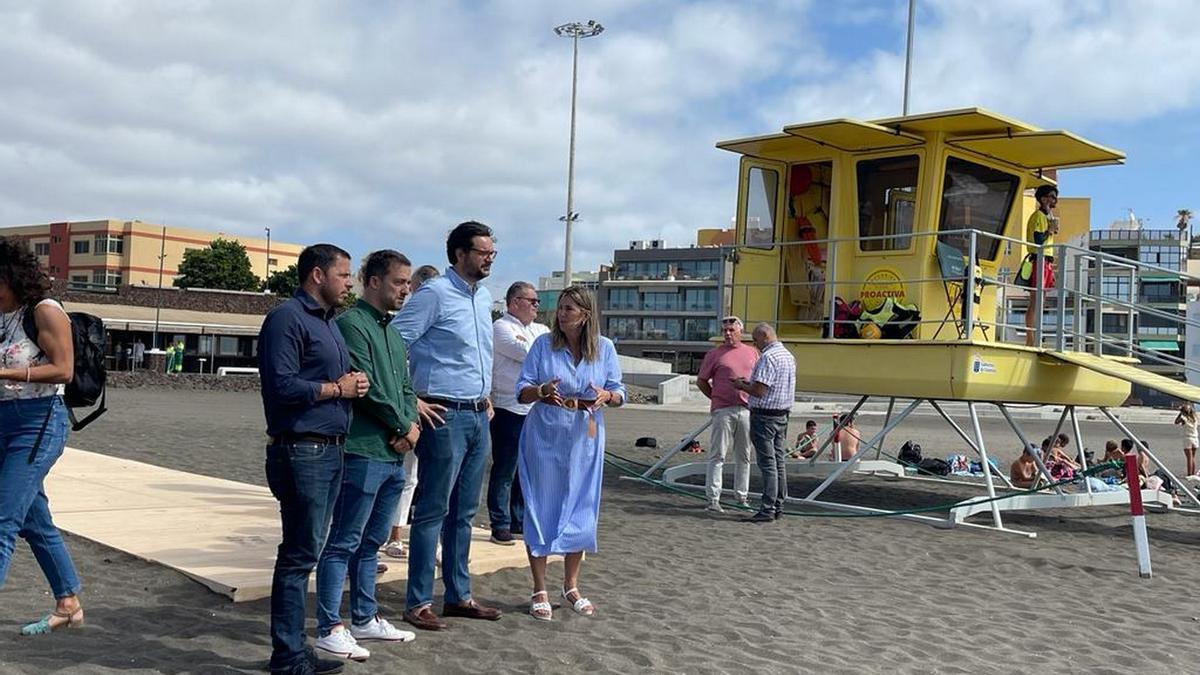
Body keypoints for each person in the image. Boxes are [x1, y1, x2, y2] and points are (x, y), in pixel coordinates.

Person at [258, 243, 368, 675]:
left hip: (328, 448)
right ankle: (287, 657)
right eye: (343, 275)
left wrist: (353, 384)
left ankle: (293, 651)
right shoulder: (287, 318)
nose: (349, 284)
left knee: (306, 552)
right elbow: (281, 385)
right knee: (298, 555)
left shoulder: (328, 323)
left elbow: (323, 379)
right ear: (317, 275)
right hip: (303, 449)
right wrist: (337, 389)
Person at [392, 221, 502, 631]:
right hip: (443, 414)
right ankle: (418, 601)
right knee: (433, 510)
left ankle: (458, 595)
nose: (489, 259)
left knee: (465, 512)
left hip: (478, 414)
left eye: (493, 253)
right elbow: (394, 343)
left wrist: (486, 396)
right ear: (459, 253)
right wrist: (411, 400)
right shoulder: (434, 294)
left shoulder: (483, 296)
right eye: (483, 252)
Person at [313, 251, 419, 662]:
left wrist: (411, 427)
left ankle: (364, 617)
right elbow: (366, 387)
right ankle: (328, 626)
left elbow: (405, 388)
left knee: (372, 542)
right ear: (373, 281)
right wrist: (403, 426)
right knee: (344, 540)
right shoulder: (350, 325)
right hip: (361, 449)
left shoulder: (393, 333)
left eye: (408, 283)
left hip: (392, 453)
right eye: (398, 282)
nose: (406, 290)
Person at [515, 285, 624, 620]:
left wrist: (607, 396)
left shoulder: (604, 348)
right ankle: (539, 587)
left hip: (585, 437)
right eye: (560, 308)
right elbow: (521, 390)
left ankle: (571, 585)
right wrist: (541, 390)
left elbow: (619, 391)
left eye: (569, 309)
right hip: (545, 434)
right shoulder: (542, 345)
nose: (561, 315)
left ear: (586, 315)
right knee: (540, 506)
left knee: (582, 506)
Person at [0, 237, 84, 636]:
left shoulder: (44, 311)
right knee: (34, 519)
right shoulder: (4, 315)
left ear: (9, 276)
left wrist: (7, 372)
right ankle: (68, 603)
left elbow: (64, 369)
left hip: (38, 421)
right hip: (4, 420)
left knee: (3, 518)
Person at [381, 267, 440, 559]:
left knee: (420, 477)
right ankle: (389, 536)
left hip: (431, 404)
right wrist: (411, 402)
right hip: (403, 405)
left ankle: (412, 538)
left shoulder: (439, 322)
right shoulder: (402, 324)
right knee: (398, 475)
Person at [487, 281, 550, 544]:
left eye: (537, 301)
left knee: (528, 469)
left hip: (535, 409)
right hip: (508, 406)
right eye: (532, 301)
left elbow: (551, 354)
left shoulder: (541, 329)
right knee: (505, 467)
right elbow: (528, 353)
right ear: (514, 302)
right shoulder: (501, 327)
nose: (537, 305)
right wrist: (539, 350)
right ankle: (499, 522)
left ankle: (519, 519)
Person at [731, 323, 796, 523]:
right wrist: (749, 384)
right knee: (779, 462)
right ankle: (778, 506)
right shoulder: (788, 355)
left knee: (768, 463)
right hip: (782, 414)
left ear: (765, 337)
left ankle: (768, 508)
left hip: (765, 416)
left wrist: (741, 385)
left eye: (756, 340)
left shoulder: (768, 357)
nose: (755, 344)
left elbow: (760, 391)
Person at [696, 316, 758, 513]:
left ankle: (742, 497)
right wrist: (715, 397)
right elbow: (702, 381)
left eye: (732, 330)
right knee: (717, 454)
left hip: (746, 409)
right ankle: (713, 499)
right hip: (723, 409)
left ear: (740, 332)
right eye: (725, 330)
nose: (728, 334)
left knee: (744, 455)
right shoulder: (714, 354)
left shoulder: (752, 352)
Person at [1022, 185, 1059, 347]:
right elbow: (1038, 240)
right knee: (1036, 300)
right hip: (1039, 259)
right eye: (1052, 196)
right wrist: (1049, 230)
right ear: (1043, 199)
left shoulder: (1047, 216)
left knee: (1040, 300)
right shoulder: (1038, 216)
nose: (1055, 200)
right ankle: (1031, 338)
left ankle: (1034, 335)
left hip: (1046, 260)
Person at [1174, 403, 1198, 477]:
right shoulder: (1194, 418)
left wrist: (1180, 414)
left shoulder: (1184, 419)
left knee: (1189, 458)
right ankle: (1193, 473)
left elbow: (1176, 422)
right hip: (1195, 438)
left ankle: (1189, 474)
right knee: (1192, 457)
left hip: (1187, 438)